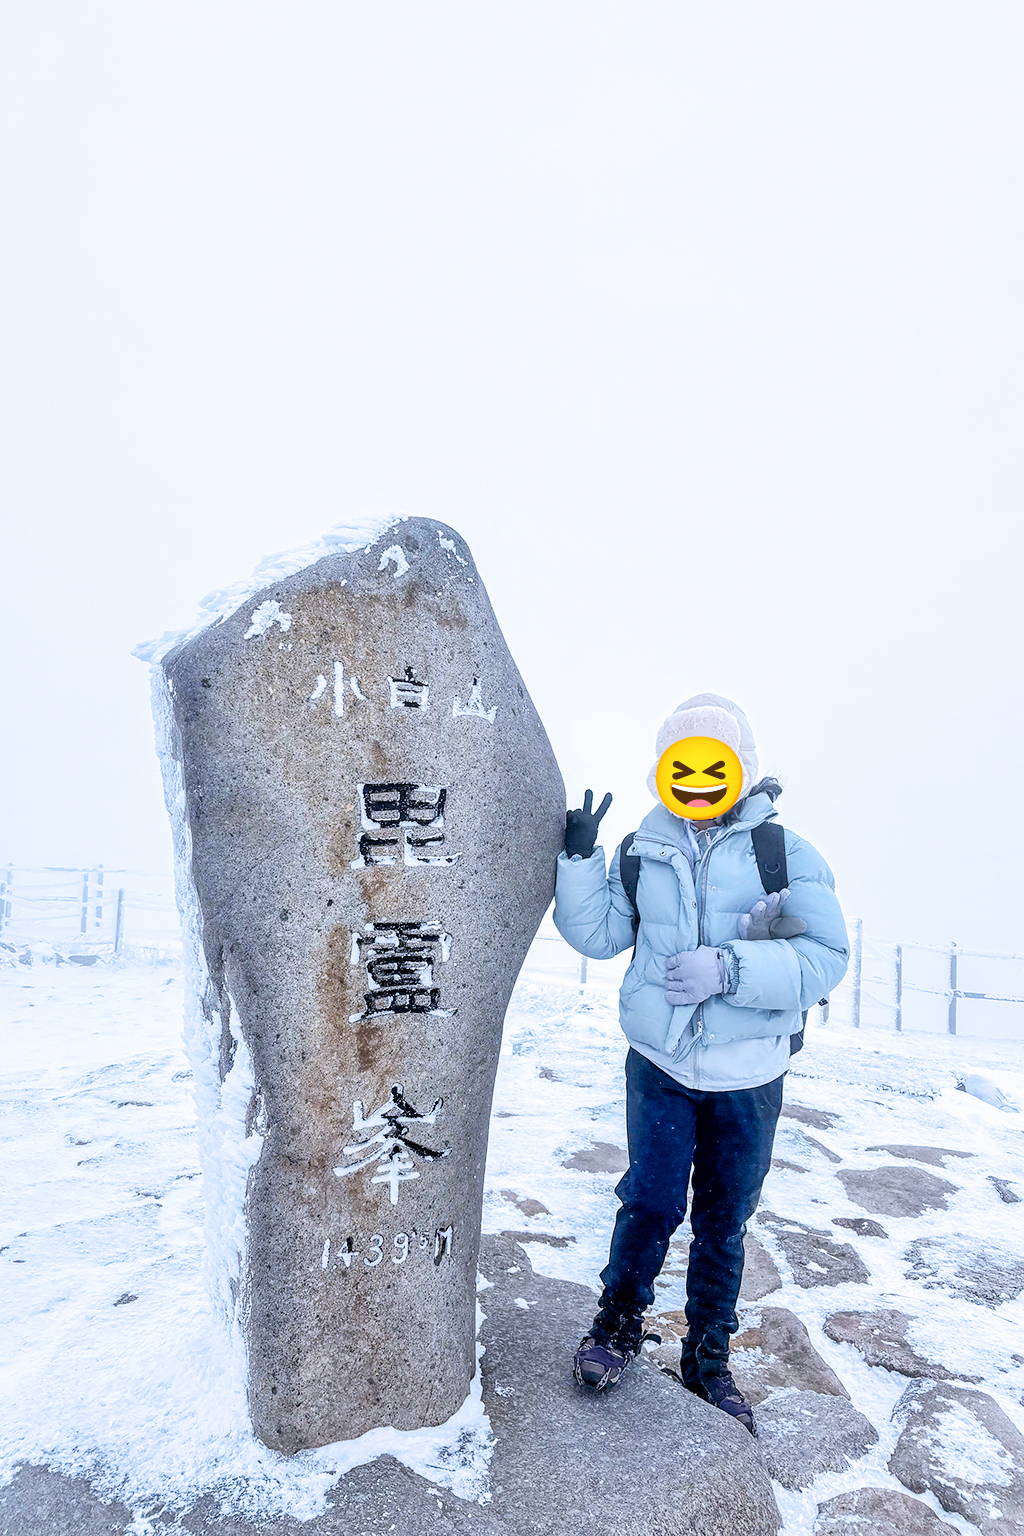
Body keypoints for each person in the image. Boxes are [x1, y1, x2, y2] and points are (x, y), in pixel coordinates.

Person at [553, 693, 848, 1433]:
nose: (694, 779)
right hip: (660, 1064)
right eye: (678, 765)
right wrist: (581, 859)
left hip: (749, 1076)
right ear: (662, 770)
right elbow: (598, 936)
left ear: (741, 769)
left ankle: (707, 1359)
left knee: (724, 1221)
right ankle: (618, 1324)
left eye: (712, 764)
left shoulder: (786, 854)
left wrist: (729, 969)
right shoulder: (642, 848)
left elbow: (825, 957)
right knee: (650, 1201)